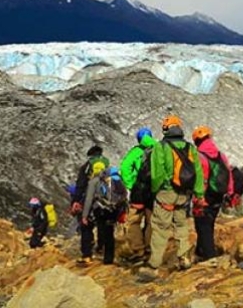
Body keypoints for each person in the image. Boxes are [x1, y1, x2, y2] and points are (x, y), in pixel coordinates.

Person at [138, 115, 205, 280]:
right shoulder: (190, 148)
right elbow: (198, 172)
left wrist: (155, 191)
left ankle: (153, 266)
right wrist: (199, 194)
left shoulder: (160, 147)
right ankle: (185, 257)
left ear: (166, 129)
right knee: (181, 225)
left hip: (166, 194)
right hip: (184, 195)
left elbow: (157, 174)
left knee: (161, 229)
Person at [191, 125, 233, 263]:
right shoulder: (221, 155)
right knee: (209, 222)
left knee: (202, 224)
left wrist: (198, 197)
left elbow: (200, 178)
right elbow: (229, 173)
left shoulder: (199, 156)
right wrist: (230, 193)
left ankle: (210, 257)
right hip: (219, 194)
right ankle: (201, 250)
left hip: (205, 194)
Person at [120, 127, 157, 261]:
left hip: (139, 191)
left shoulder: (136, 152)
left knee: (134, 222)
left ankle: (138, 249)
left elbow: (125, 168)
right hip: (154, 192)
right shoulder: (159, 149)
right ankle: (149, 248)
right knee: (151, 221)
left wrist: (131, 184)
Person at [80, 166, 127, 265]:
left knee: (101, 230)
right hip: (114, 210)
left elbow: (89, 199)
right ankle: (108, 258)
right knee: (109, 233)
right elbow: (124, 197)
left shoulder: (95, 181)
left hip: (101, 210)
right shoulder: (119, 181)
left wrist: (85, 215)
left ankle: (96, 250)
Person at [71, 145, 110, 255]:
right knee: (103, 223)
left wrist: (76, 200)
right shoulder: (107, 165)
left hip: (89, 197)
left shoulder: (86, 166)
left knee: (86, 225)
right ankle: (102, 247)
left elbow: (80, 184)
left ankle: (87, 253)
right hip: (105, 197)